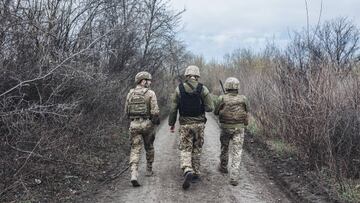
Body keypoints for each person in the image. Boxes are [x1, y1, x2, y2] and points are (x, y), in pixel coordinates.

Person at [168, 65, 214, 190]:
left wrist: (171, 123)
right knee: (197, 147)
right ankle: (196, 173)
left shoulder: (179, 89)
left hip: (185, 124)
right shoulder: (203, 89)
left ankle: (187, 168)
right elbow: (210, 107)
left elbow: (173, 109)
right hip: (199, 124)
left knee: (185, 148)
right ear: (197, 75)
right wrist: (201, 106)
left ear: (186, 75)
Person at [125, 71, 160, 187]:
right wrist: (154, 121)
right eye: (148, 80)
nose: (150, 82)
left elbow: (126, 111)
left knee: (135, 149)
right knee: (149, 146)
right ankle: (149, 170)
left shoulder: (130, 93)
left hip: (134, 124)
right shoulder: (150, 93)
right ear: (143, 81)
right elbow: (155, 112)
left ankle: (134, 174)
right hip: (147, 124)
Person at [214, 77, 249, 186]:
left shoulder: (222, 98)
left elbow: (215, 112)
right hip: (239, 128)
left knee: (224, 148)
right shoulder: (244, 98)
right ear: (237, 87)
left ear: (227, 86)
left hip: (225, 128)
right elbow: (247, 111)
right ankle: (234, 177)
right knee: (237, 152)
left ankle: (223, 167)